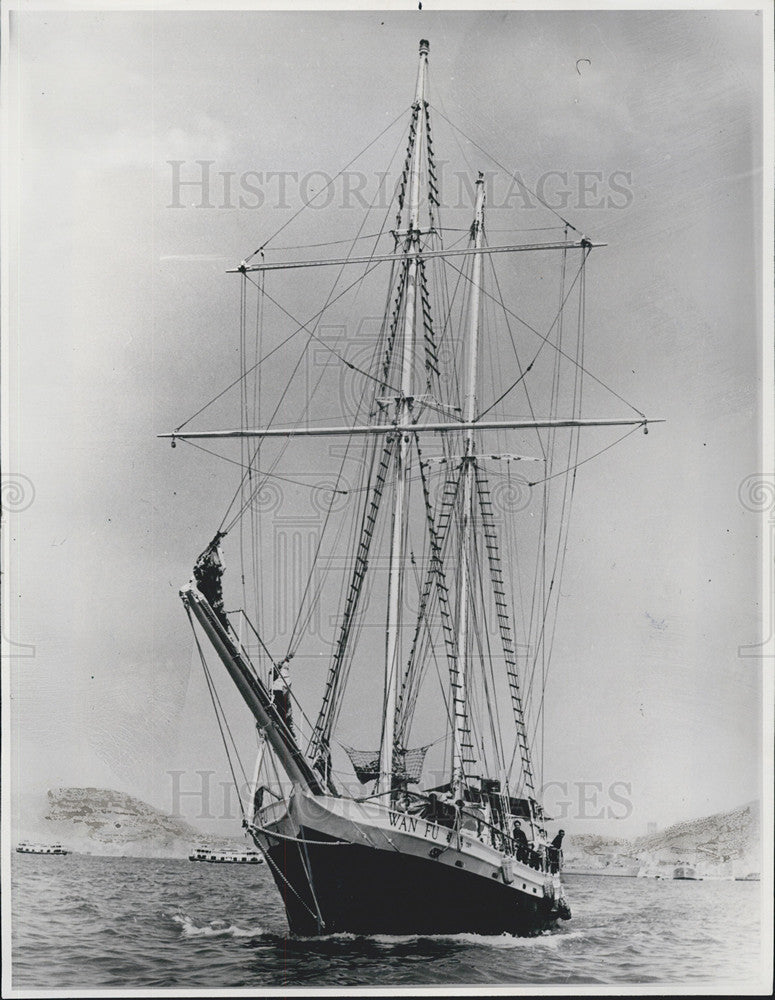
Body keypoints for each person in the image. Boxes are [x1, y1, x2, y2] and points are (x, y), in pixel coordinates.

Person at [271, 659, 293, 734]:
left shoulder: (283, 673)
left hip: (278, 691)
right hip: (279, 691)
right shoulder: (283, 674)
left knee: (280, 709)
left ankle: (280, 722)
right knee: (281, 710)